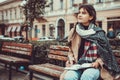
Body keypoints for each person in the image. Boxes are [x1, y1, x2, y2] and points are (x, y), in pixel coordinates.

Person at [60, 4, 120, 80]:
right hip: (77, 65)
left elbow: (106, 54)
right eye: (79, 12)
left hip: (93, 66)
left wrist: (98, 62)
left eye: (83, 13)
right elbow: (71, 50)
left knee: (86, 77)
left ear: (91, 17)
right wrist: (70, 59)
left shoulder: (99, 33)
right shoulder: (74, 31)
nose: (80, 15)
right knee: (69, 77)